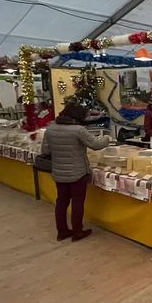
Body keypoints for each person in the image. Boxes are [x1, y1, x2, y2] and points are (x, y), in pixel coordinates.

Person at [41, 103, 110, 242]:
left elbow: (45, 151)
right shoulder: (78, 130)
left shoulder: (50, 129)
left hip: (59, 173)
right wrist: (108, 138)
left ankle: (62, 232)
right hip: (77, 173)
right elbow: (96, 145)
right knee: (77, 203)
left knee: (61, 202)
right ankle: (77, 232)